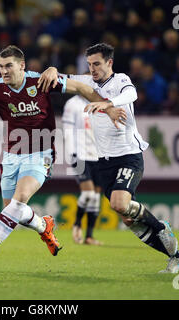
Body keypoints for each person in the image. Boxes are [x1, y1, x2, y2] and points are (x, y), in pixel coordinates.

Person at [0, 45, 126, 263]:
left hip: (40, 154)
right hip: (10, 156)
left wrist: (108, 107)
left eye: (9, 66)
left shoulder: (40, 81)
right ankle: (44, 226)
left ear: (22, 66)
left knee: (20, 200)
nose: (4, 71)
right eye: (1, 67)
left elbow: (81, 88)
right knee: (12, 211)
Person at [38, 43, 179, 273]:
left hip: (129, 156)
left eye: (97, 64)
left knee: (119, 203)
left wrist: (108, 103)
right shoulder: (87, 82)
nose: (93, 69)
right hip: (104, 161)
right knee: (128, 218)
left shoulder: (120, 81)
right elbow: (61, 77)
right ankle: (175, 256)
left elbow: (132, 93)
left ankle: (160, 226)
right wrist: (50, 69)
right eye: (89, 65)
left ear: (109, 62)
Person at [62, 94, 103, 245]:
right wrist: (71, 154)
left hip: (98, 155)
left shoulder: (99, 102)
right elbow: (67, 130)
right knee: (88, 193)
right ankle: (77, 223)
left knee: (96, 196)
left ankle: (89, 236)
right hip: (80, 154)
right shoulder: (72, 104)